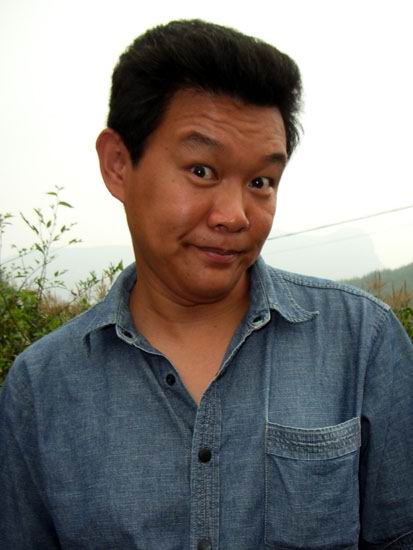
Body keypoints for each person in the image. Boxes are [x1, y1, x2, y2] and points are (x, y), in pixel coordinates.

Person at [1, 19, 412, 550]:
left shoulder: (363, 342)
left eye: (261, 182)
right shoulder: (40, 389)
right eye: (201, 171)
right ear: (118, 164)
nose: (235, 215)